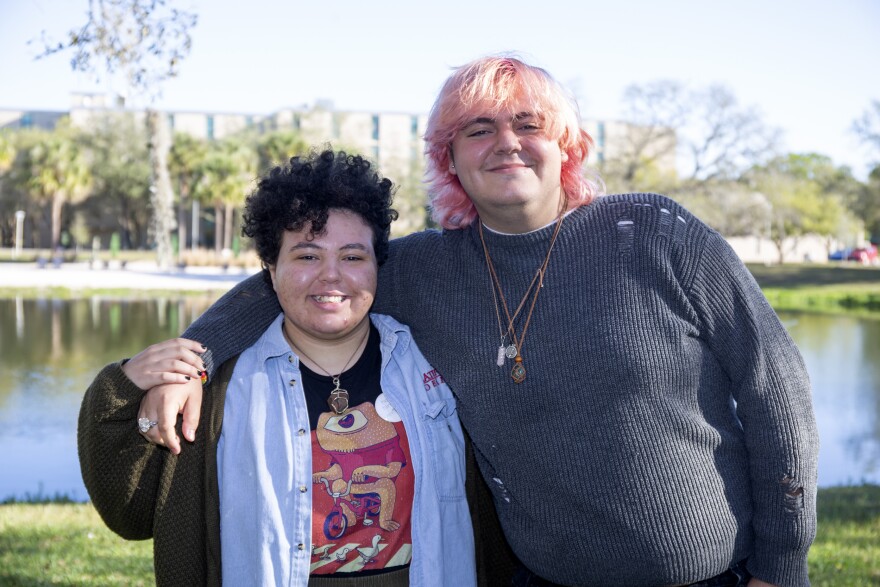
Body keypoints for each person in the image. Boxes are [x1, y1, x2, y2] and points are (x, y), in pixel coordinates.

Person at [138, 56, 818, 587]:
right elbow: (298, 280)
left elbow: (776, 390)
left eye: (529, 124)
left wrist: (781, 562)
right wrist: (191, 358)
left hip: (713, 574)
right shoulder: (425, 269)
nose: (507, 144)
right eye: (479, 129)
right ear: (450, 158)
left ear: (567, 145)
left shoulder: (656, 234)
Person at [78, 149, 476, 587]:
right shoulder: (219, 387)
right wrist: (124, 390)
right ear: (270, 268)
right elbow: (129, 515)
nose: (332, 276)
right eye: (307, 256)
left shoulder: (431, 356)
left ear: (377, 264)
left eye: (353, 257)